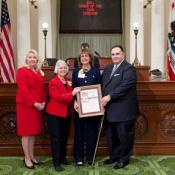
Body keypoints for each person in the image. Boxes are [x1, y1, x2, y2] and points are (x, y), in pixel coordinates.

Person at [101, 45, 138, 169]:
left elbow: (125, 86)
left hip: (124, 110)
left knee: (124, 137)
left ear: (123, 55)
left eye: (117, 54)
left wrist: (109, 97)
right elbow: (102, 86)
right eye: (113, 54)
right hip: (110, 110)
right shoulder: (108, 69)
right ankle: (114, 156)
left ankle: (124, 159)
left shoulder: (129, 69)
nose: (115, 56)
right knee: (112, 137)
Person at [46, 60, 80, 172]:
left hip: (66, 114)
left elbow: (70, 98)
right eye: (61, 68)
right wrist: (72, 93)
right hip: (54, 114)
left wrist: (75, 101)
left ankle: (62, 158)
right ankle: (56, 162)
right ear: (57, 69)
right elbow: (58, 97)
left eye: (65, 68)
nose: (63, 70)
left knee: (64, 137)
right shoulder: (53, 82)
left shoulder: (68, 81)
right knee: (56, 138)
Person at [16, 49, 46, 169]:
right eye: (30, 57)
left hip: (37, 106)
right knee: (26, 133)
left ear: (37, 60)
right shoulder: (22, 71)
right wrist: (34, 103)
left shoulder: (39, 73)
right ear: (26, 59)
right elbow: (24, 91)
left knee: (33, 133)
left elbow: (43, 90)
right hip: (26, 106)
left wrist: (43, 102)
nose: (32, 59)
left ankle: (32, 156)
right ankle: (27, 158)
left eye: (34, 57)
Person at [72, 49, 101, 166]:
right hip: (79, 109)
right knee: (79, 133)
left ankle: (90, 157)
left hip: (92, 109)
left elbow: (100, 88)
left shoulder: (96, 71)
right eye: (82, 56)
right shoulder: (75, 72)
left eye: (86, 56)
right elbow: (73, 88)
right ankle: (79, 157)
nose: (84, 58)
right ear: (80, 59)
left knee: (91, 133)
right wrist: (74, 102)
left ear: (90, 58)